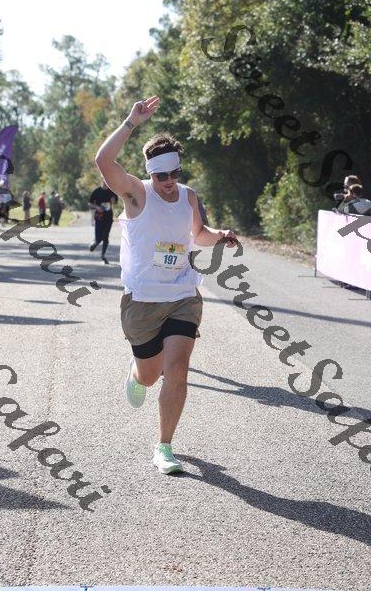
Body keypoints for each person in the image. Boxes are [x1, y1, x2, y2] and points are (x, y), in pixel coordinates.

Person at [95, 96, 238, 475]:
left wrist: (219, 235)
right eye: (162, 176)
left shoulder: (188, 196)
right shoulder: (136, 193)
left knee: (177, 369)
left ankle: (164, 446)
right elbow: (103, 162)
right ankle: (137, 373)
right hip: (142, 300)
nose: (170, 181)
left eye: (175, 173)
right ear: (151, 174)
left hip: (181, 295)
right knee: (149, 373)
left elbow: (198, 233)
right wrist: (131, 123)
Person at [88, 177, 118, 264]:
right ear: (102, 180)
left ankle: (103, 255)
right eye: (105, 180)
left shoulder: (111, 191)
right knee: (98, 238)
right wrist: (97, 207)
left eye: (107, 180)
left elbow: (115, 201)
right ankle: (95, 244)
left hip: (108, 217)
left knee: (105, 237)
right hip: (99, 217)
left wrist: (113, 200)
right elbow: (90, 203)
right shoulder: (97, 191)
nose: (106, 182)